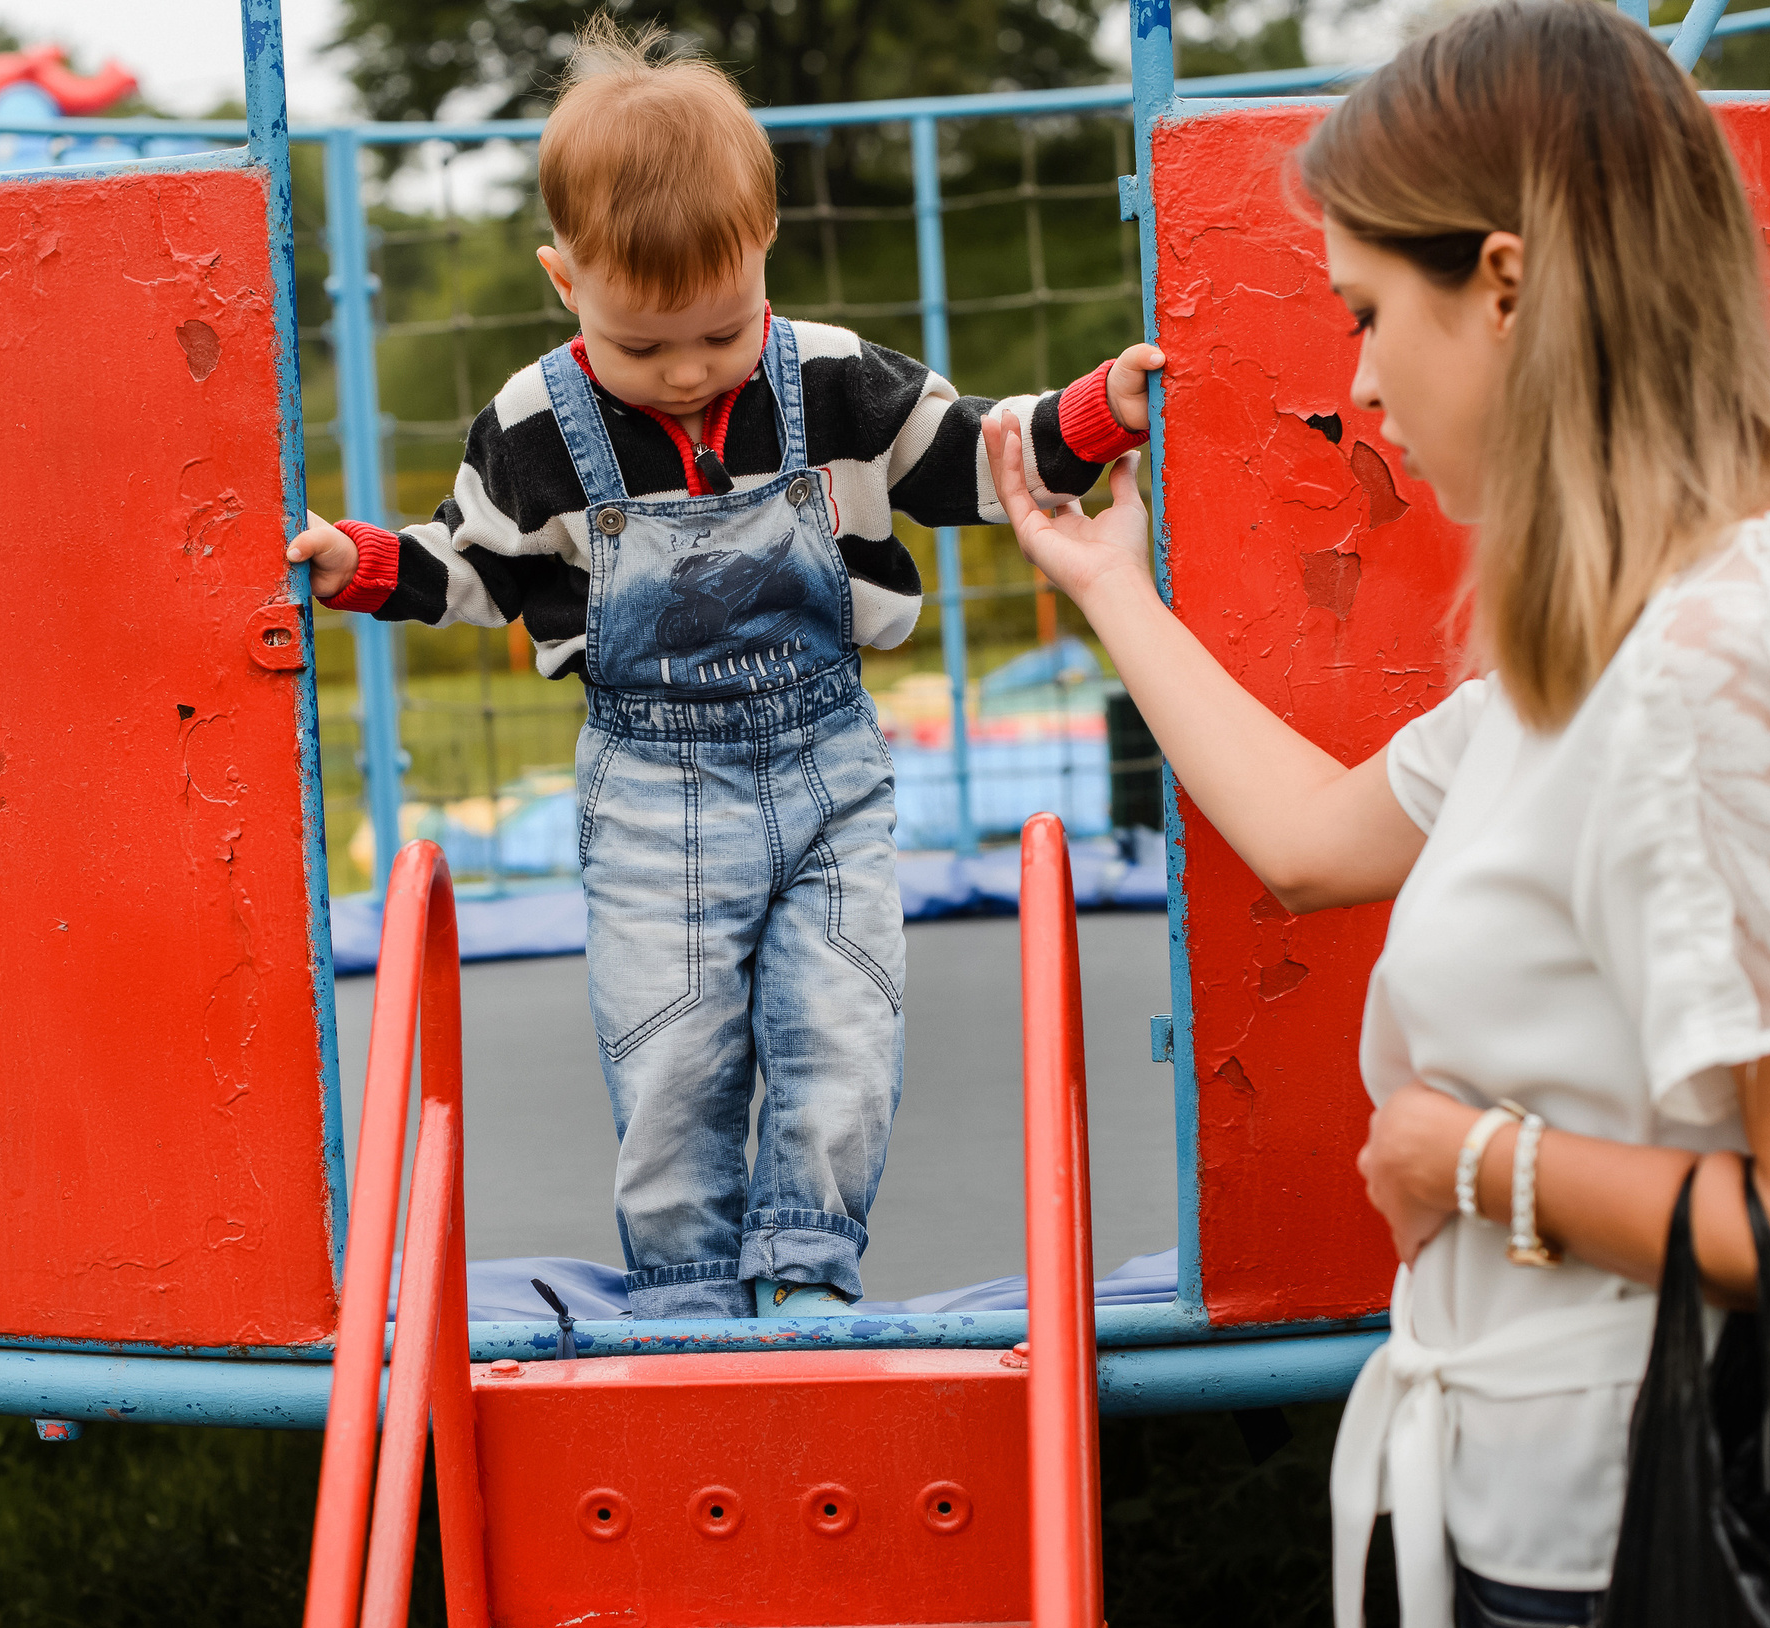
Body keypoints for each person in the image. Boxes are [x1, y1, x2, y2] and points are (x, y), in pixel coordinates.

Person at [981, 3, 1770, 1628]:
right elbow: (1308, 837)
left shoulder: (1721, 664)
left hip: (1646, 1571)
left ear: (1504, 287)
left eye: (1371, 311)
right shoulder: (1597, 649)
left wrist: (1474, 1163)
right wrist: (1110, 587)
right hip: (1545, 1542)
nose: (1358, 381)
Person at [287, 19, 1162, 1320]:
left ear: (763, 252)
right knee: (671, 1052)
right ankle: (688, 1293)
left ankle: (807, 1268)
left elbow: (975, 455)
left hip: (831, 773)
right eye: (642, 348)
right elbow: (476, 563)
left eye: (721, 331)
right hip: (650, 791)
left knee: (843, 1031)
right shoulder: (530, 426)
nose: (690, 374)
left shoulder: (837, 380)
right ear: (563, 280)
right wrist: (357, 562)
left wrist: (1096, 412)